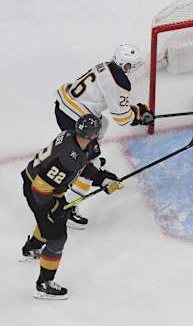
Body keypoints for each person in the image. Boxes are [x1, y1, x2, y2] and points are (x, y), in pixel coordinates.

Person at [20, 114, 122, 299]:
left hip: (44, 187)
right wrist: (52, 209)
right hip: (38, 191)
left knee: (50, 223)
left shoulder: (73, 138)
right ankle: (44, 284)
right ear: (94, 134)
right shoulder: (68, 158)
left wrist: (102, 179)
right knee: (57, 237)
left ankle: (31, 248)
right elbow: (40, 188)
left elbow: (83, 166)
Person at [54, 44, 153, 228]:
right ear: (127, 66)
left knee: (102, 123)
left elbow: (111, 99)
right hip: (73, 119)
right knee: (84, 168)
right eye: (133, 67)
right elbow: (122, 118)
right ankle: (66, 209)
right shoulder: (118, 83)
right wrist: (138, 119)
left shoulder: (105, 66)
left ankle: (89, 157)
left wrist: (136, 110)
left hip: (65, 106)